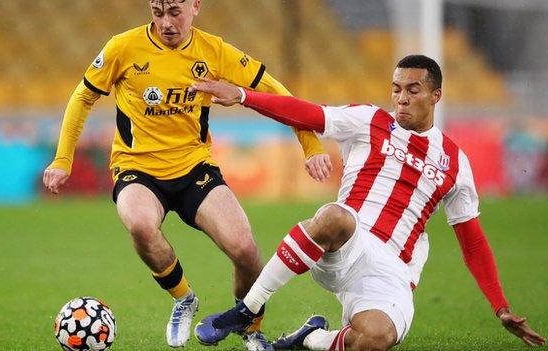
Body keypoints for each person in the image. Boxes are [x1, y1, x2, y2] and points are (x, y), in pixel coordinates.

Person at [190, 55, 546, 350]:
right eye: (396, 89)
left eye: (412, 90)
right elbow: (305, 113)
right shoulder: (369, 120)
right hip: (347, 242)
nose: (401, 98)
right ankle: (247, 309)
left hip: (393, 270)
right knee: (334, 216)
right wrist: (242, 95)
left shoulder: (454, 161)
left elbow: (473, 242)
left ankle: (309, 338)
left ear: (436, 95)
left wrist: (500, 307)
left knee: (375, 339)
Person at [42, 0, 332, 350]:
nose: (165, 22)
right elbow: (81, 97)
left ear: (195, 6)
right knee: (139, 223)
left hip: (194, 168)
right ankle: (183, 299)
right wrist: (62, 159)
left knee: (245, 250)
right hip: (137, 168)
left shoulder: (214, 50)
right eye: (157, 11)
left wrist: (311, 144)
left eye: (175, 11)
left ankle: (251, 330)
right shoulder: (123, 47)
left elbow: (274, 91)